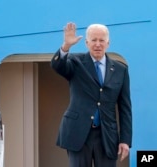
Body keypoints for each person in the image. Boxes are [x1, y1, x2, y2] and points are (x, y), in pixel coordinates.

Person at [51, 22, 132, 167]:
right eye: (94, 40)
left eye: (101, 40)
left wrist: (125, 140)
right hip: (78, 132)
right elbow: (58, 66)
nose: (98, 44)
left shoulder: (121, 70)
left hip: (107, 135)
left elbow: (125, 108)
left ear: (108, 43)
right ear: (87, 43)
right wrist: (66, 47)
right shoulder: (76, 62)